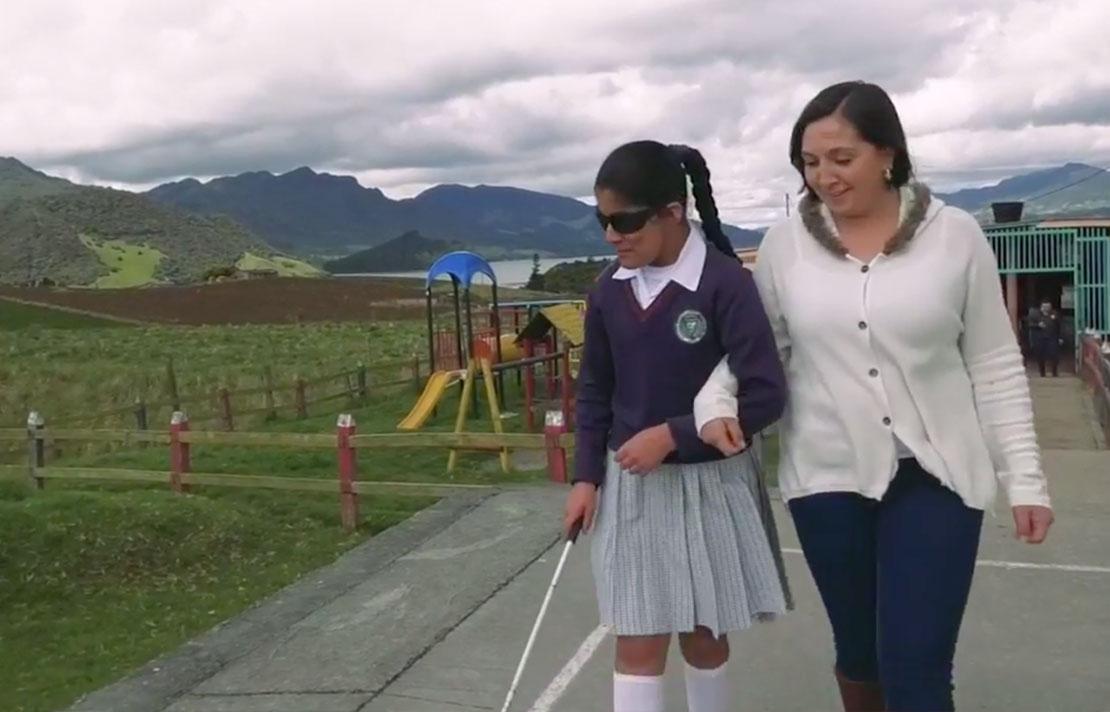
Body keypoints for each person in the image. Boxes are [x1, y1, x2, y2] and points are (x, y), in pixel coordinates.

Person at [693, 81, 1054, 712]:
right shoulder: (784, 246)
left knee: (915, 663)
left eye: (841, 159)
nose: (824, 177)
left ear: (887, 154)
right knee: (859, 652)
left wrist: (1024, 479)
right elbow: (763, 352)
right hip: (828, 479)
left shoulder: (957, 236)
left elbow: (994, 365)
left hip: (938, 476)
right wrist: (716, 402)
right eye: (809, 163)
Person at [563, 140, 792, 712]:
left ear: (673, 212)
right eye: (602, 222)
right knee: (637, 637)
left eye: (625, 221)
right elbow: (594, 391)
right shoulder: (608, 292)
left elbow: (764, 394)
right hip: (633, 487)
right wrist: (586, 477)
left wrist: (673, 435)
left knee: (704, 633)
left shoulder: (725, 285)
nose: (612, 235)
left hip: (711, 483)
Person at [1031, 299, 1062, 376]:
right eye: (1045, 306)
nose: (1047, 308)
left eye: (1048, 306)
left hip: (1052, 337)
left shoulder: (1054, 314)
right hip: (1040, 338)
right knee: (1040, 355)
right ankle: (1042, 372)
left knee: (1054, 354)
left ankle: (1054, 372)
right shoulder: (1036, 314)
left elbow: (1059, 326)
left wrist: (1060, 337)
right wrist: (1038, 325)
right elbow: (1029, 324)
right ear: (1041, 307)